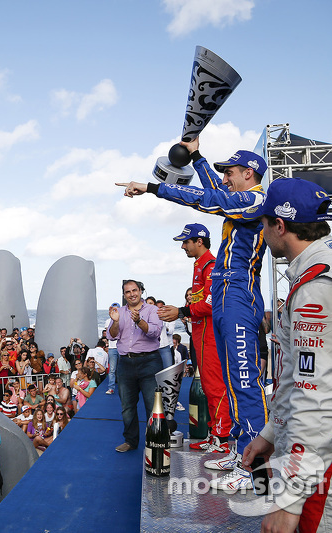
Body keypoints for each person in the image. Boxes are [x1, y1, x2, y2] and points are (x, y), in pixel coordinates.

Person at [117, 141, 269, 487]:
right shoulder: (242, 204)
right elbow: (216, 193)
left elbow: (210, 199)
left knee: (244, 382)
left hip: (239, 298)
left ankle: (254, 468)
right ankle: (238, 446)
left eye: (229, 173)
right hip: (230, 299)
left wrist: (154, 187)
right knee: (232, 382)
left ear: (249, 174)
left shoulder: (256, 199)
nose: (225, 179)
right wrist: (197, 157)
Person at [242, 178, 332, 531]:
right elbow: (299, 378)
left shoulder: (319, 287)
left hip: (327, 464)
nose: (261, 230)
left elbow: (316, 397)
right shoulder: (325, 273)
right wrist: (271, 435)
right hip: (321, 455)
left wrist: (289, 499)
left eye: (263, 222)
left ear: (280, 226)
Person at [158, 223, 231, 453]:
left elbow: (211, 303)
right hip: (200, 335)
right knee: (208, 386)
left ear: (199, 241)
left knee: (216, 386)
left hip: (210, 335)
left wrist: (181, 311)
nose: (182, 246)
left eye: (186, 241)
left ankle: (222, 438)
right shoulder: (200, 264)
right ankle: (214, 433)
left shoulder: (211, 265)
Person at [106, 280, 163, 452]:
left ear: (141, 291)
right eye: (127, 292)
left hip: (150, 362)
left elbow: (154, 332)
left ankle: (155, 442)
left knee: (152, 405)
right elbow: (111, 336)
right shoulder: (119, 312)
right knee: (127, 406)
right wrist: (115, 322)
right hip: (126, 363)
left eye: (134, 290)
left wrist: (139, 321)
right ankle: (130, 441)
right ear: (124, 295)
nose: (131, 294)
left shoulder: (152, 310)